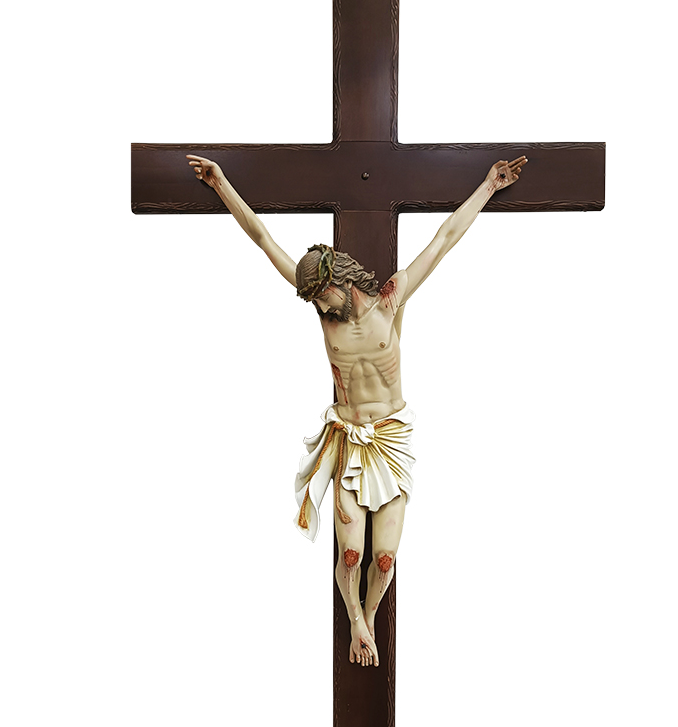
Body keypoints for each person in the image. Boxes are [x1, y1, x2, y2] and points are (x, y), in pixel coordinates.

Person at [186, 153, 528, 668]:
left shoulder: (391, 301)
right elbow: (262, 238)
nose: (319, 310)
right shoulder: (324, 317)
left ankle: (365, 620)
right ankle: (356, 623)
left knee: (383, 560)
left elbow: (443, 239)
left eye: (322, 298)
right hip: (348, 437)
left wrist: (488, 186)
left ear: (340, 280)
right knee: (351, 554)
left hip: (389, 439)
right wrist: (221, 184)